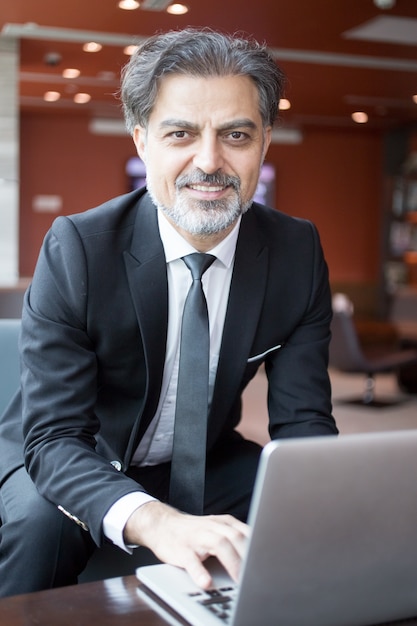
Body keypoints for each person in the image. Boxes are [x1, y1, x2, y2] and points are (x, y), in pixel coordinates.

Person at [0, 27, 338, 598]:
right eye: (181, 133)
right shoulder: (78, 248)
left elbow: (304, 423)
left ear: (265, 142)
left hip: (207, 459)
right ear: (141, 140)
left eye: (236, 134)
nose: (209, 161)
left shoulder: (296, 251)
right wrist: (156, 519)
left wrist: (333, 503)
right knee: (41, 528)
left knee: (323, 518)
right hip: (75, 455)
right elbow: (55, 437)